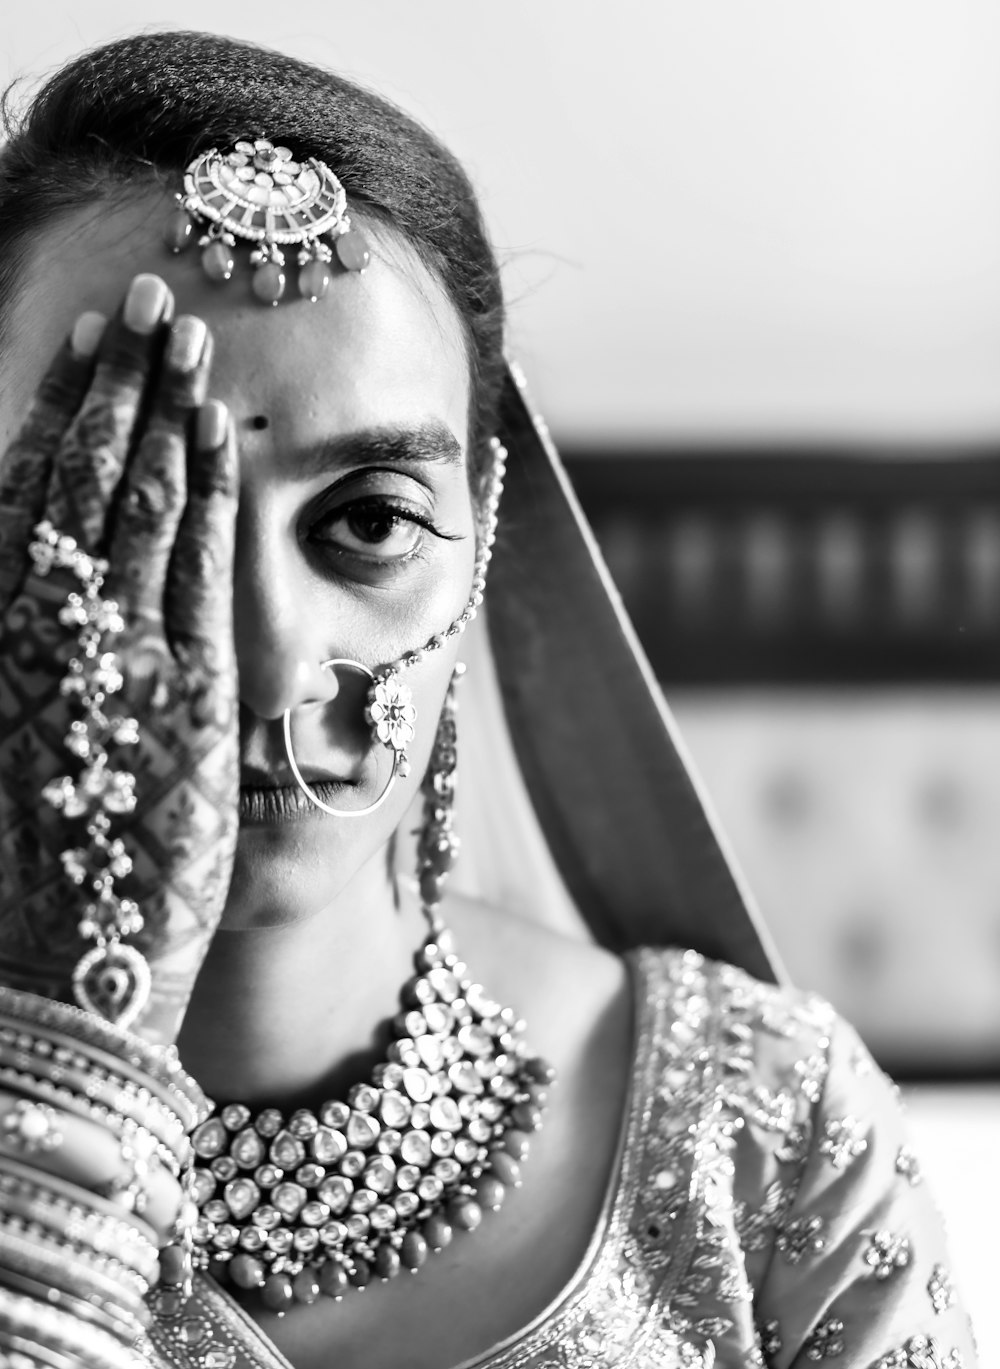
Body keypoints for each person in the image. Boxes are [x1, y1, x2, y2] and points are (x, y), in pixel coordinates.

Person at [0, 28, 978, 1369]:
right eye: (137, 522)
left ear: (488, 526)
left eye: (367, 521)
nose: (271, 664)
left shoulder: (774, 1139)